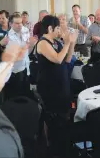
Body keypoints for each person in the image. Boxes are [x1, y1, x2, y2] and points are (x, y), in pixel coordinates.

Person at [36, 15, 77, 157]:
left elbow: (68, 59)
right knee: (52, 118)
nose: (60, 30)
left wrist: (71, 43)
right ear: (50, 28)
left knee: (63, 117)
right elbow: (58, 59)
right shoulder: (43, 43)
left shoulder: (56, 42)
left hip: (61, 85)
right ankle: (50, 147)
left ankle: (62, 145)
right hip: (50, 87)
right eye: (57, 27)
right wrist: (66, 43)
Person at [4, 12, 37, 100]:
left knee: (26, 95)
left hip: (26, 67)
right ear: (10, 24)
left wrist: (32, 45)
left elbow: (27, 52)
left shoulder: (25, 30)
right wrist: (28, 45)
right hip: (15, 71)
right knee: (17, 97)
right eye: (17, 23)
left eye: (21, 22)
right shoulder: (8, 37)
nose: (20, 25)